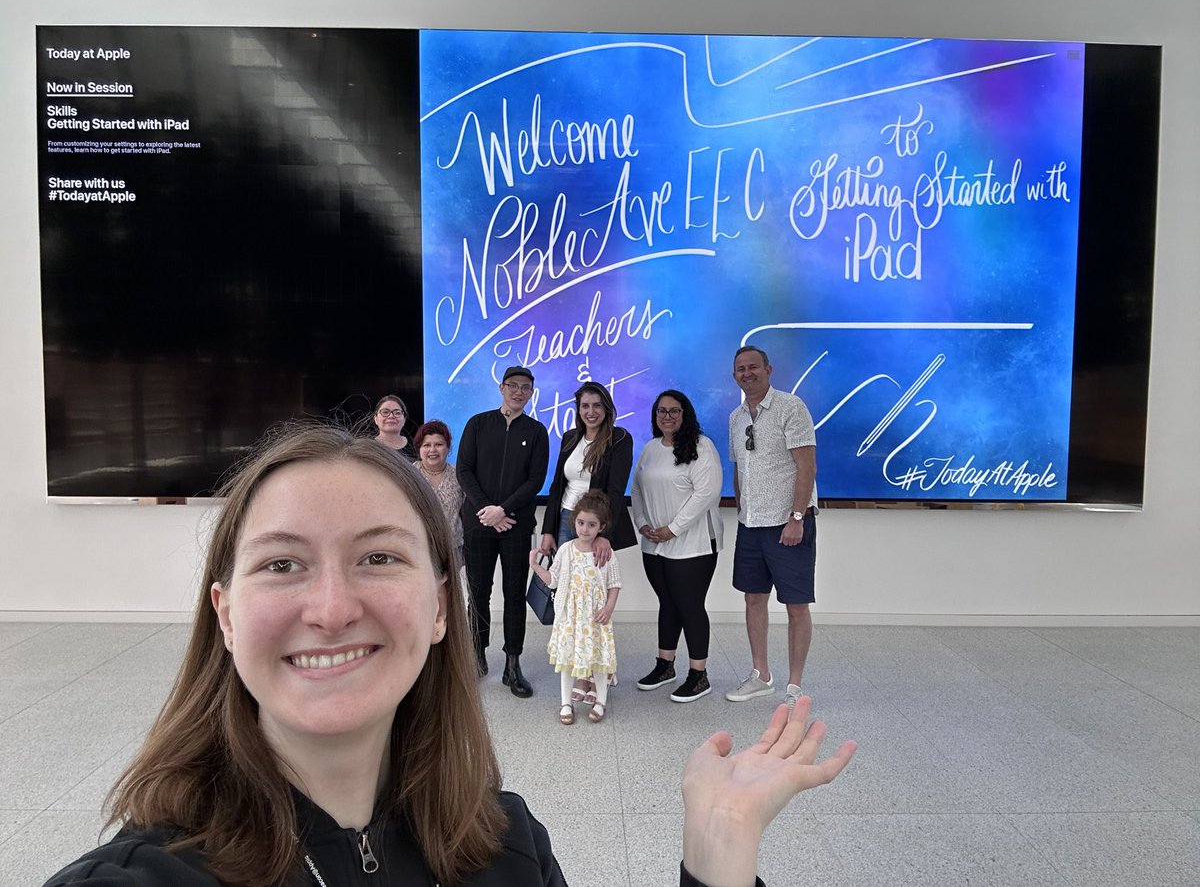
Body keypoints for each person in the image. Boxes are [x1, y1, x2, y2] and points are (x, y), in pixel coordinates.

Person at [45, 424, 858, 887]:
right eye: (282, 563)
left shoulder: (508, 847)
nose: (331, 609)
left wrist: (716, 857)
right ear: (224, 613)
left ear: (441, 605)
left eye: (379, 557)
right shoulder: (134, 884)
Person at [725, 345, 820, 706]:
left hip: (788, 524)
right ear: (734, 376)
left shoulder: (791, 408)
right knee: (753, 599)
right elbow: (739, 467)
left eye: (753, 367)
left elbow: (807, 467)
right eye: (740, 369)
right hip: (751, 524)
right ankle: (761, 675)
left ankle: (794, 686)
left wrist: (797, 517)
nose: (746, 373)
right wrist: (740, 509)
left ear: (768, 369)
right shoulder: (736, 417)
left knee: (796, 604)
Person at [538, 381, 636, 702]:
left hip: (595, 527)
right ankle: (581, 670)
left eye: (596, 405)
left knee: (596, 604)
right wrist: (549, 528)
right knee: (569, 602)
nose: (590, 412)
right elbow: (556, 486)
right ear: (578, 410)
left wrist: (603, 534)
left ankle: (601, 668)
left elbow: (616, 490)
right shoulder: (570, 438)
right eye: (584, 406)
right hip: (567, 523)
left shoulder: (619, 439)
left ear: (606, 407)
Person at [457, 366, 550, 696]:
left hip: (516, 527)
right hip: (479, 523)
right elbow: (464, 470)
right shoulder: (478, 424)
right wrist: (488, 511)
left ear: (531, 392)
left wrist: (504, 510)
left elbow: (536, 480)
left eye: (526, 387)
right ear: (501, 387)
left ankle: (513, 664)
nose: (519, 392)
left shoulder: (537, 431)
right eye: (513, 385)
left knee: (514, 595)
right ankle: (477, 656)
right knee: (478, 593)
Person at [630, 390, 724, 703]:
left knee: (690, 605)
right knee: (667, 603)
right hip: (654, 544)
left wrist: (673, 528)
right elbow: (637, 489)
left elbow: (707, 493)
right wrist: (642, 523)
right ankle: (665, 665)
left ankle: (699, 675)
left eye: (674, 411)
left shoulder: (701, 446)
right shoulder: (651, 448)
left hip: (693, 545)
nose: (667, 416)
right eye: (661, 411)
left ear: (686, 414)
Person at [530, 490, 621, 726]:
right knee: (568, 659)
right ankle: (565, 703)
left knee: (598, 658)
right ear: (574, 522)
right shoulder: (566, 550)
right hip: (570, 617)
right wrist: (534, 566)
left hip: (595, 618)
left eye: (592, 525)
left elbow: (614, 584)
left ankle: (601, 699)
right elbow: (554, 580)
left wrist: (609, 608)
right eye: (581, 523)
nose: (585, 529)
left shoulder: (605, 553)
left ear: (601, 527)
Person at [412, 419, 464, 567]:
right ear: (419, 449)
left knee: (450, 590)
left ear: (448, 448)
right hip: (419, 548)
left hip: (454, 550)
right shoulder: (409, 475)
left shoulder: (459, 476)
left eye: (439, 444)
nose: (432, 450)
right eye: (426, 445)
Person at [373, 394, 416, 459]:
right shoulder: (367, 447)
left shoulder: (416, 446)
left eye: (397, 413)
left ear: (404, 420)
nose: (391, 416)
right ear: (376, 419)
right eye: (385, 412)